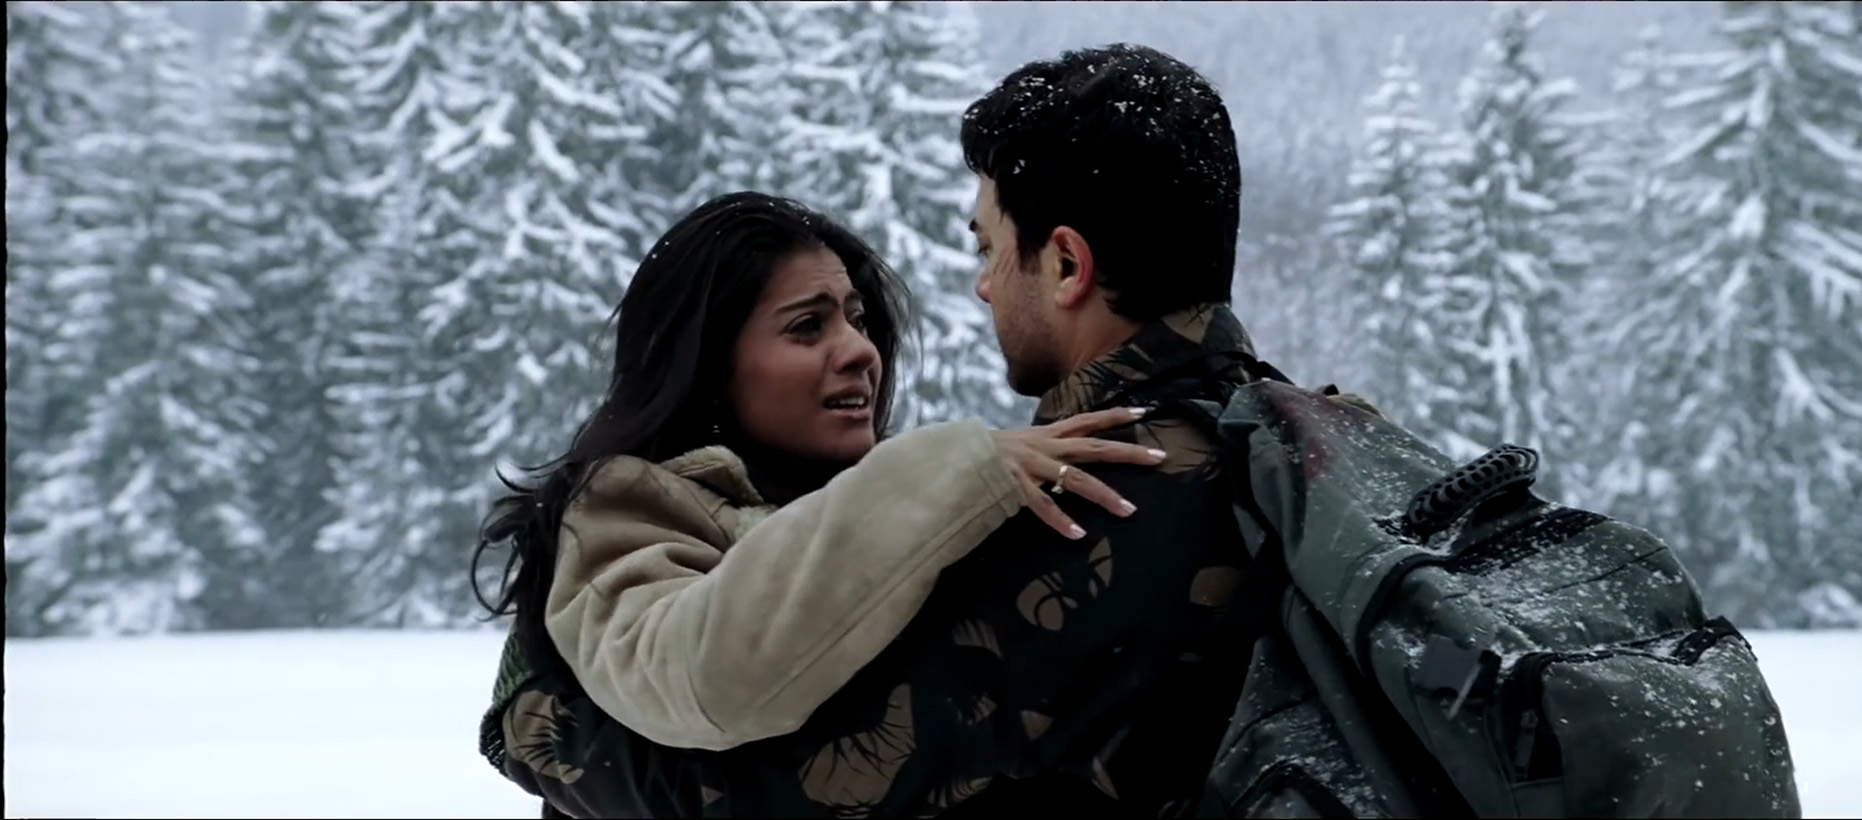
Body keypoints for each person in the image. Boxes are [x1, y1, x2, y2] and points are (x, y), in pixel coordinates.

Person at [482, 43, 1333, 818]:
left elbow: (780, 789)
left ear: (1067, 265)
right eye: (808, 326)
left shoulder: (1088, 506)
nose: (983, 287)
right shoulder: (1301, 451)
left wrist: (546, 728)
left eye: (988, 248)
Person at [472, 190, 1172, 812]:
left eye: (857, 320)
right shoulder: (627, 507)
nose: (860, 351)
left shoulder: (899, 507)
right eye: (807, 327)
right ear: (706, 364)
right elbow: (702, 684)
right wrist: (941, 473)